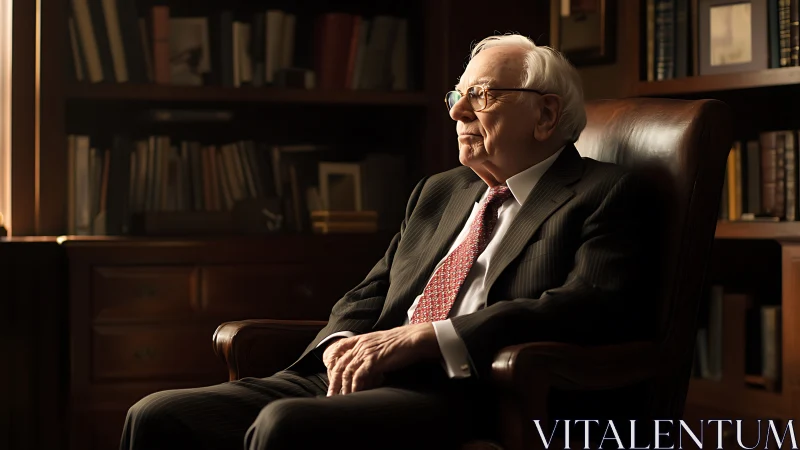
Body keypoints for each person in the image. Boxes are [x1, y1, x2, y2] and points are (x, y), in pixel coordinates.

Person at [120, 33, 658, 450]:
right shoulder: (441, 191)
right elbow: (369, 294)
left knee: (284, 426)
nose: (456, 111)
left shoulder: (602, 192)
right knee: (158, 414)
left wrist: (428, 338)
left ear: (545, 114)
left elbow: (587, 306)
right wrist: (342, 348)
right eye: (458, 94)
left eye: (482, 95)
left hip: (464, 389)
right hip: (365, 373)